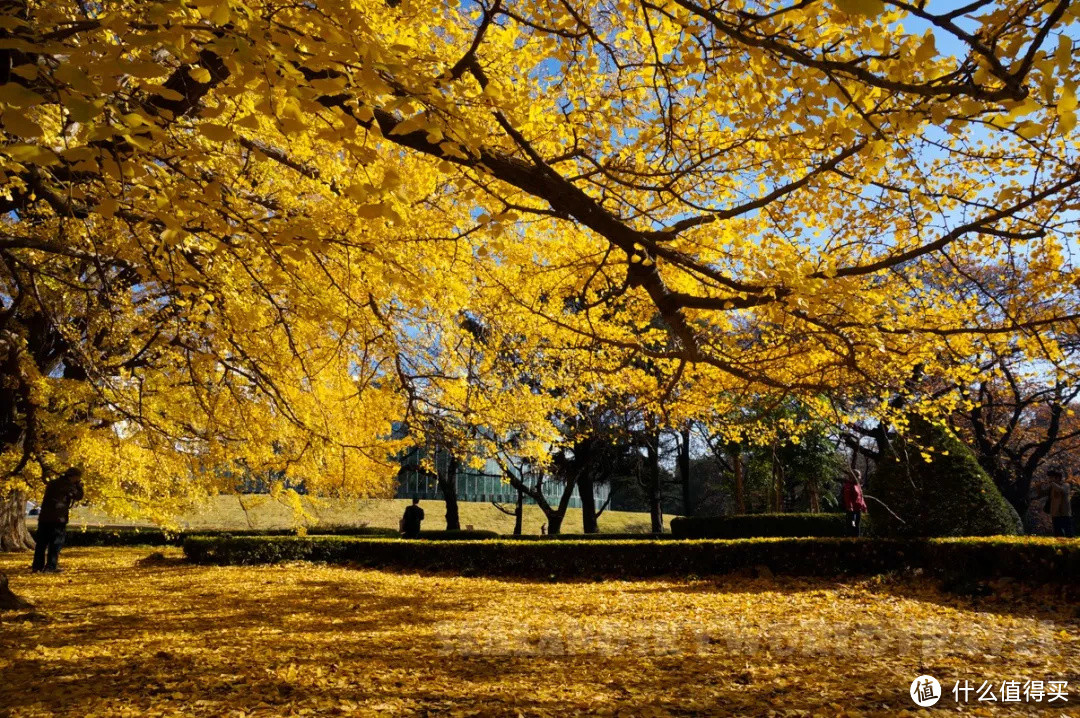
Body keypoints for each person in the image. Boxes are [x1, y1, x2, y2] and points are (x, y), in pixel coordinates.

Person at [32, 467, 84, 573]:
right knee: (55, 543)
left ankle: (37, 567)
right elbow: (78, 496)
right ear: (73, 477)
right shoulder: (68, 486)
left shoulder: (53, 483)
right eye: (77, 478)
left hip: (44, 517)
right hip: (58, 518)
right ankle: (51, 567)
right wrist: (79, 487)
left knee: (41, 544)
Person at [1043, 469, 1074, 538]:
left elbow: (1061, 490)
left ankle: (1071, 546)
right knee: (1057, 533)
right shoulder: (1052, 487)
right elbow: (1042, 493)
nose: (1050, 479)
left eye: (1051, 477)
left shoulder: (1066, 485)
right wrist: (1038, 487)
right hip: (1055, 513)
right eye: (1049, 478)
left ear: (1058, 478)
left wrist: (1052, 483)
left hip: (1065, 513)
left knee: (1068, 532)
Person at [841, 468, 868, 537]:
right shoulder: (848, 486)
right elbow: (847, 498)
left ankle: (857, 540)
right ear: (854, 476)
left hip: (858, 510)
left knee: (857, 526)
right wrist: (850, 507)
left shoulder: (858, 486)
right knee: (852, 525)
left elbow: (861, 497)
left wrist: (864, 507)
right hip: (852, 512)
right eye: (859, 476)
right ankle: (850, 540)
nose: (860, 477)